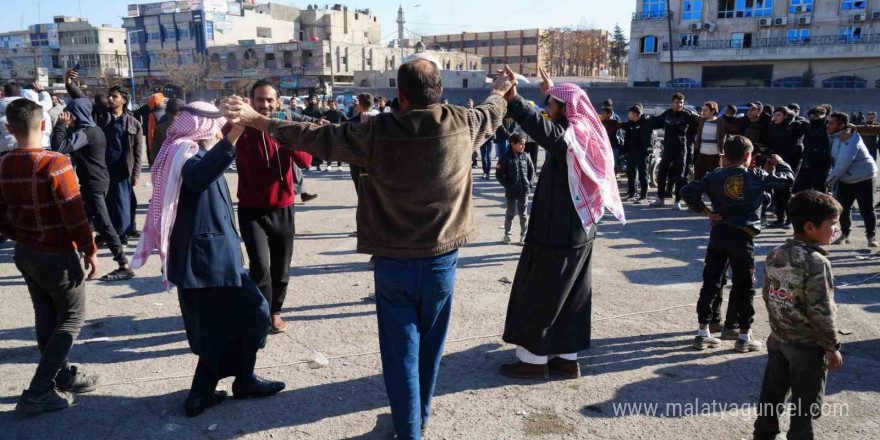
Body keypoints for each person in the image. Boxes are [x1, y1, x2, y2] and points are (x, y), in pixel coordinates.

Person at [224, 58, 513, 440]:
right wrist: (499, 90)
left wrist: (259, 121)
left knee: (401, 354)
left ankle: (410, 429)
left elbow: (312, 137)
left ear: (400, 96)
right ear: (440, 91)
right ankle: (417, 419)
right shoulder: (464, 123)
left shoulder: (375, 132)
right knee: (429, 348)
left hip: (394, 262)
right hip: (443, 261)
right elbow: (493, 111)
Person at [133, 101, 284, 418]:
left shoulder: (184, 151)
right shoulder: (186, 154)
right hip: (205, 259)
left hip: (211, 255)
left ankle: (232, 383)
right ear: (203, 126)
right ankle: (211, 391)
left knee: (228, 323)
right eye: (216, 125)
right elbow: (199, 177)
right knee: (250, 315)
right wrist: (236, 134)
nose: (219, 130)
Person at [499, 68, 625, 380]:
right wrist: (551, 90)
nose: (546, 109)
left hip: (557, 230)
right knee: (571, 296)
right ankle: (567, 359)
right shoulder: (585, 130)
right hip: (578, 229)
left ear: (564, 109)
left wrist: (513, 99)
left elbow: (547, 132)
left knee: (541, 294)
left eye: (551, 104)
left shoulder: (575, 135)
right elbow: (556, 124)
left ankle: (534, 361)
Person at [1, 99, 100, 413]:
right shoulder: (54, 162)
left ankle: (61, 376)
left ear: (8, 128)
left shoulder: (2, 163)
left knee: (46, 315)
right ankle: (39, 389)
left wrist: (20, 236)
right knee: (71, 318)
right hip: (56, 254)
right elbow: (74, 213)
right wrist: (89, 249)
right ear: (43, 124)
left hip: (25, 252)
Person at [681, 136, 794, 353]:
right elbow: (787, 179)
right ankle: (743, 336)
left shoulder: (715, 175)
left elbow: (687, 191)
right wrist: (780, 162)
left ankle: (703, 332)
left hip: (719, 233)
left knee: (711, 282)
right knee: (744, 286)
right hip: (743, 237)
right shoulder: (756, 175)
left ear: (725, 154)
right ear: (747, 156)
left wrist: (707, 212)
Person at [753, 190, 843, 440]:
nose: (836, 229)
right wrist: (831, 346)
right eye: (832, 224)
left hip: (779, 338)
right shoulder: (816, 262)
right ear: (810, 227)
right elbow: (821, 309)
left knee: (771, 394)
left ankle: (763, 435)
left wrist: (778, 327)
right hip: (807, 346)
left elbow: (768, 294)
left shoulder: (776, 252)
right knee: (805, 407)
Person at [229, 80, 315, 334]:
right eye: (259, 100)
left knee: (281, 268)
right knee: (260, 267)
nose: (265, 105)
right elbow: (222, 142)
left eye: (269, 100)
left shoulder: (286, 126)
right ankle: (262, 313)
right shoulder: (241, 127)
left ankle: (275, 311)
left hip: (283, 208)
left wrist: (286, 133)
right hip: (250, 209)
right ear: (251, 101)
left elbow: (306, 161)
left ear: (277, 102)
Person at [51, 98, 134, 281]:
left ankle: (124, 265)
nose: (69, 116)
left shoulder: (87, 133)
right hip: (95, 182)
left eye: (71, 112)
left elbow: (58, 147)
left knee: (104, 224)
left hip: (94, 184)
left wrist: (60, 124)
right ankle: (86, 260)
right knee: (83, 223)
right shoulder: (91, 129)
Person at [65, 71, 144, 245]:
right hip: (101, 168)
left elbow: (138, 151)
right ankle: (106, 233)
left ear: (123, 100)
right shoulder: (101, 114)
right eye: (109, 96)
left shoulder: (133, 123)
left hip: (122, 169)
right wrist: (70, 83)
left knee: (122, 203)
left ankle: (121, 235)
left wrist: (136, 174)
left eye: (114, 96)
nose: (110, 99)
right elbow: (81, 98)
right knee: (104, 203)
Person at [826, 112, 878, 247]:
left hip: (863, 176)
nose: (828, 125)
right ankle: (845, 234)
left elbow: (844, 161)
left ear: (841, 125)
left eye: (831, 123)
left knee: (866, 208)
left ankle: (871, 237)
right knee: (843, 208)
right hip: (845, 177)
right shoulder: (833, 135)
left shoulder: (850, 137)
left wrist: (829, 180)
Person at [646, 93, 700, 210]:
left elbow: (696, 126)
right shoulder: (667, 114)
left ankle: (677, 201)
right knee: (662, 173)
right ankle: (660, 198)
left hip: (681, 147)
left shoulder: (686, 114)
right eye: (677, 102)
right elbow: (656, 121)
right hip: (668, 147)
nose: (679, 105)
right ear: (672, 103)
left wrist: (698, 116)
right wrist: (645, 118)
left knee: (680, 175)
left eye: (681, 102)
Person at [765, 106, 809, 228]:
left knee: (788, 190)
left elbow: (809, 128)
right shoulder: (774, 127)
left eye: (778, 115)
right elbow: (771, 143)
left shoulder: (795, 126)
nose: (775, 117)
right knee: (779, 188)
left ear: (785, 115)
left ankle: (790, 219)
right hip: (779, 162)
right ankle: (780, 218)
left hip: (793, 162)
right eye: (775, 115)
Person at [496, 133, 534, 245]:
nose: (523, 146)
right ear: (513, 144)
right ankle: (507, 235)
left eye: (524, 144)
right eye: (521, 144)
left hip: (524, 191)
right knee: (510, 213)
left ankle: (524, 236)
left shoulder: (526, 156)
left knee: (523, 215)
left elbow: (532, 171)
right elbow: (498, 175)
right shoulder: (505, 158)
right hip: (511, 192)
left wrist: (529, 183)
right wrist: (508, 185)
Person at [615, 104, 655, 203]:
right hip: (631, 153)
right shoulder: (631, 124)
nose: (628, 115)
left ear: (635, 114)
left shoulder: (645, 123)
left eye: (630, 113)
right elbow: (625, 132)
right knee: (631, 173)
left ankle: (643, 196)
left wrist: (647, 151)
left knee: (643, 174)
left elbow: (648, 140)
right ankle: (632, 193)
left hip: (642, 154)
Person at [792, 107, 832, 194]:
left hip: (821, 166)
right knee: (799, 192)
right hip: (806, 164)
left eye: (817, 117)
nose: (814, 119)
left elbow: (848, 127)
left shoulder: (829, 129)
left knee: (820, 193)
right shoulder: (808, 127)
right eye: (812, 117)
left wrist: (849, 129)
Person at [694, 101, 730, 181]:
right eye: (702, 109)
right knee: (698, 178)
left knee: (715, 179)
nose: (703, 112)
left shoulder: (721, 122)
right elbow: (691, 113)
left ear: (713, 111)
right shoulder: (701, 120)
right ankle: (698, 193)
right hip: (701, 155)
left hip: (715, 156)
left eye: (706, 110)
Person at [152, 98, 183, 164]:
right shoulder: (189, 127)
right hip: (183, 164)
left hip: (165, 164)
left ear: (166, 111)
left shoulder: (159, 128)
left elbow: (155, 151)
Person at [141, 93, 166, 167]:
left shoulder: (153, 114)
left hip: (156, 140)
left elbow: (151, 132)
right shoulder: (167, 111)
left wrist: (150, 146)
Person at [302, 95, 325, 171]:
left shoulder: (320, 111)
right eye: (311, 99)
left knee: (317, 149)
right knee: (307, 149)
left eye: (314, 99)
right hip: (307, 131)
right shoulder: (305, 111)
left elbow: (322, 121)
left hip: (317, 132)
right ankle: (307, 164)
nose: (312, 101)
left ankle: (318, 165)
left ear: (316, 100)